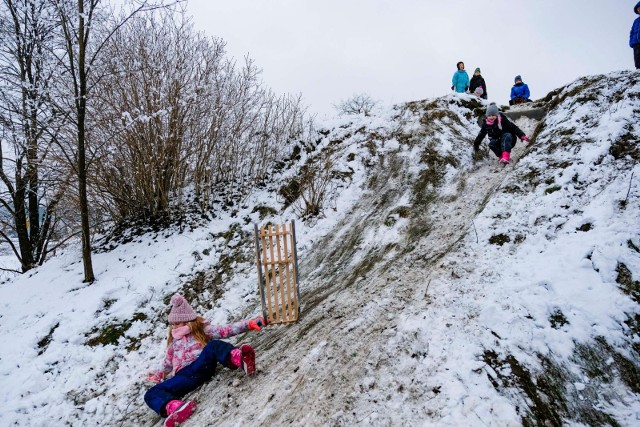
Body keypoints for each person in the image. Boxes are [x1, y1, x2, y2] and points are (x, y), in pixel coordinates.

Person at [144, 294, 265, 427]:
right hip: (183, 377)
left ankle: (240, 359)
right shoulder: (174, 344)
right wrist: (158, 374)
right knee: (150, 394)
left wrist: (249, 324)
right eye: (172, 324)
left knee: (213, 346)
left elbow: (225, 330)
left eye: (176, 323)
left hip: (202, 366)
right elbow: (167, 364)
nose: (174, 327)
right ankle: (175, 408)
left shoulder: (202, 330)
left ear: (187, 320)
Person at [630, 1, 640, 69]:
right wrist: (631, 41)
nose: (639, 10)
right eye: (638, 9)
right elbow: (632, 32)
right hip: (635, 43)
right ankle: (638, 70)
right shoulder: (636, 21)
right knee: (637, 57)